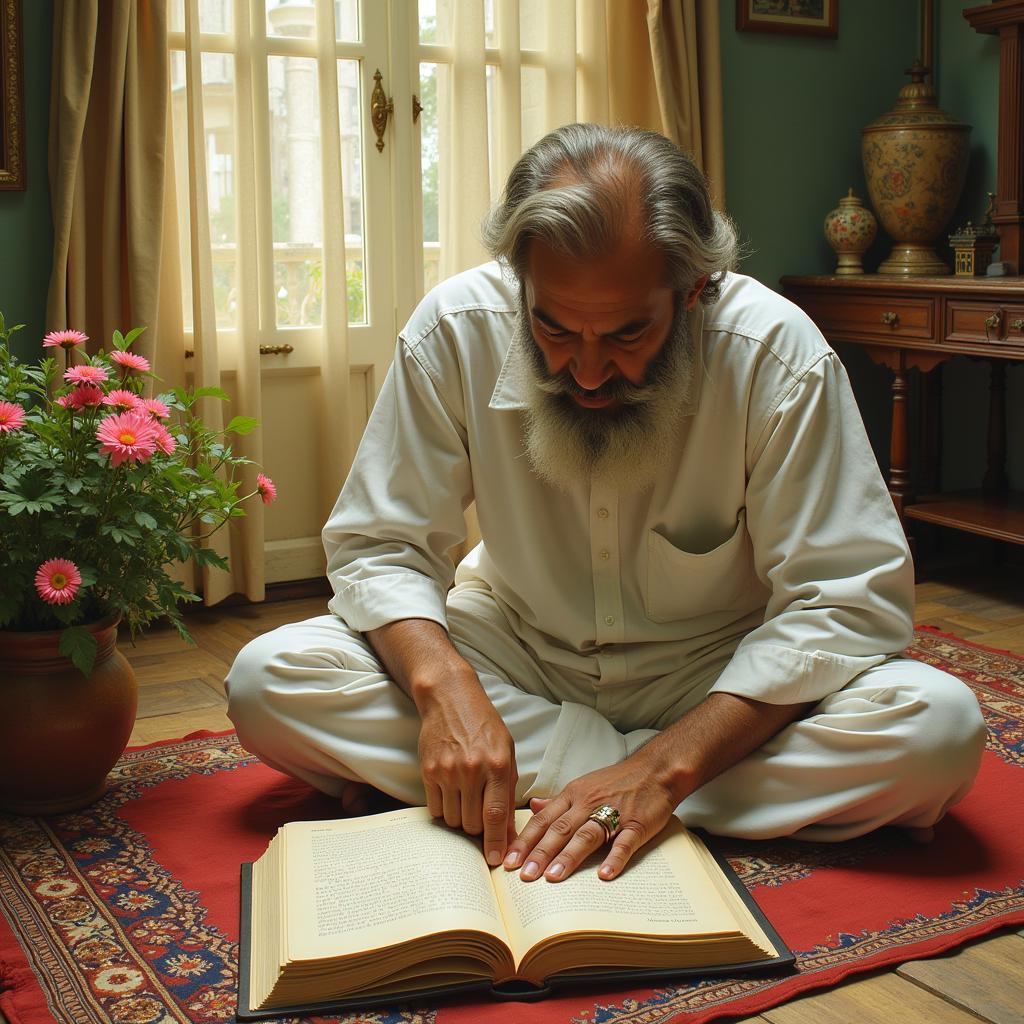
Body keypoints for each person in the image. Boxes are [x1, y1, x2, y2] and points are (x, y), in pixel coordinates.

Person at [226, 124, 986, 885]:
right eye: (553, 326)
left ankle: (543, 787)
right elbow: (380, 546)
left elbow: (848, 600)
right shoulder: (456, 328)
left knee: (939, 733)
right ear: (519, 276)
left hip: (715, 678)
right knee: (270, 681)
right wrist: (447, 692)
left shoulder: (775, 355)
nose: (586, 372)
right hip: (515, 653)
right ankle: (648, 794)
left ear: (693, 291)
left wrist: (667, 763)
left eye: (628, 333)